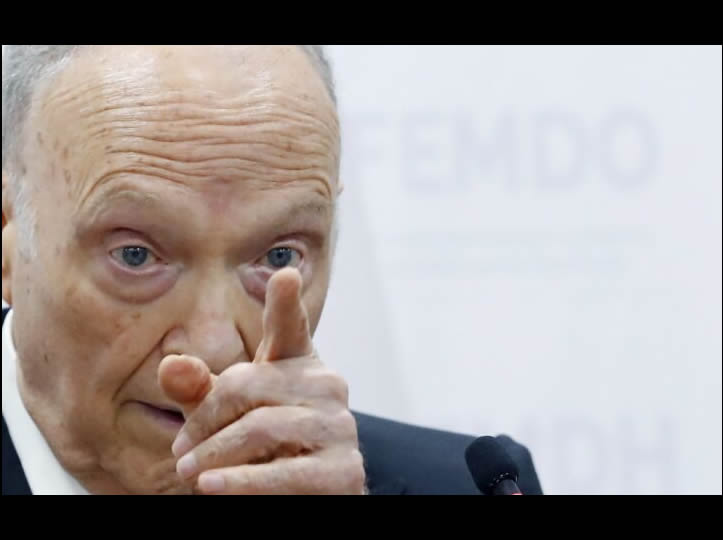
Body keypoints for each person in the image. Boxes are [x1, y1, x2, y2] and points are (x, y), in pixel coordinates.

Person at [1, 45, 543, 495]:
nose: (214, 351)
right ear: (8, 240)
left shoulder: (472, 484)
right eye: (135, 256)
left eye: (278, 257)